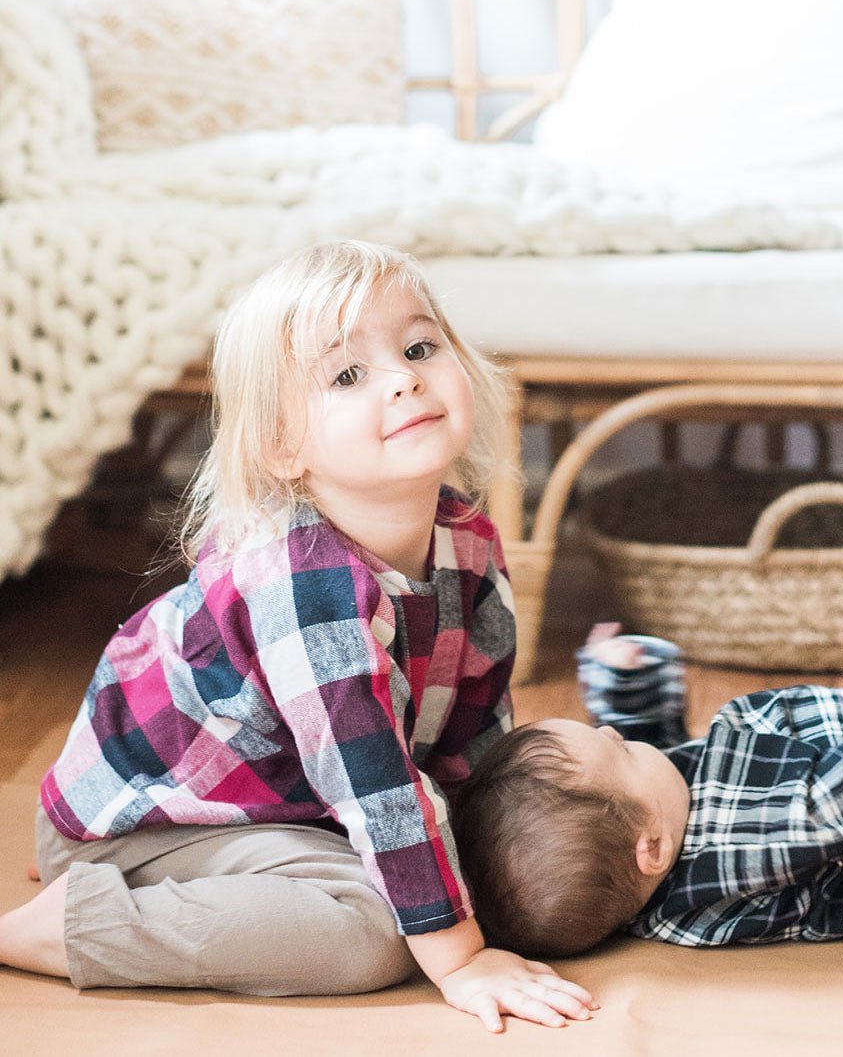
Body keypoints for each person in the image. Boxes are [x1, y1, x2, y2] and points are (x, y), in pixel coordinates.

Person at [0, 240, 596, 1033]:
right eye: (347, 375)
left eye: (419, 347)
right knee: (375, 936)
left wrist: (492, 864)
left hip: (287, 807)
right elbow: (377, 785)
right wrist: (460, 954)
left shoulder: (468, 542)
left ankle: (159, 886)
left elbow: (471, 739)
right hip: (160, 817)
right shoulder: (301, 581)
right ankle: (67, 923)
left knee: (458, 878)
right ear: (282, 446)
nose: (405, 377)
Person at [453, 665, 843, 958]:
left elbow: (665, 768)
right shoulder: (729, 843)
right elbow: (832, 803)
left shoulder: (664, 860)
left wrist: (632, 696)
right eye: (617, 745)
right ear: (651, 847)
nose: (615, 731)